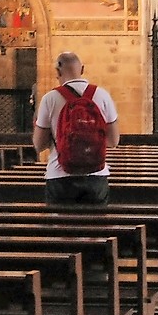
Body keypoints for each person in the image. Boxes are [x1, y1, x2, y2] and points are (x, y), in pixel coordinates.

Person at [32, 51, 119, 204]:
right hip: (96, 176)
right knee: (97, 226)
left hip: (60, 177)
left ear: (57, 72)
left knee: (61, 227)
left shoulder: (49, 99)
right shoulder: (102, 95)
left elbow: (39, 145)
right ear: (82, 69)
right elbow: (113, 141)